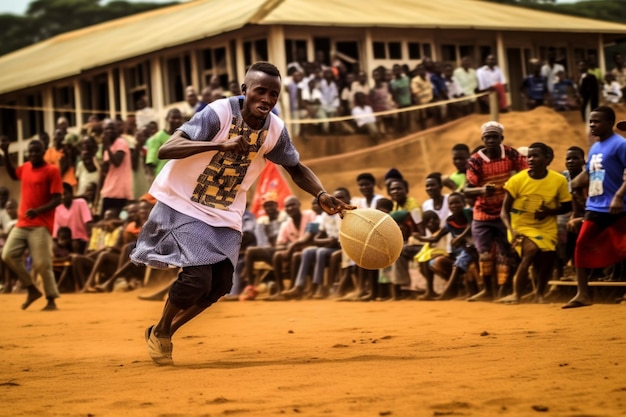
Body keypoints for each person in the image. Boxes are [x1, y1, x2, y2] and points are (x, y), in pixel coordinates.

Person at [129, 62, 354, 365]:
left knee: (220, 285)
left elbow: (295, 167)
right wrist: (219, 144)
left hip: (224, 211)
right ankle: (164, 331)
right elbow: (167, 148)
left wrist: (321, 193)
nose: (267, 100)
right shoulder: (218, 113)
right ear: (244, 90)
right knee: (197, 278)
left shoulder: (275, 129)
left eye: (273, 95)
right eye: (260, 91)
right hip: (183, 201)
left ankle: (161, 330)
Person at [563, 106, 626, 308]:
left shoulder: (620, 144)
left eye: (596, 121)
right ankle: (583, 293)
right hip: (596, 205)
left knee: (623, 248)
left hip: (617, 206)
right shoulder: (595, 147)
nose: (592, 125)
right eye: (590, 121)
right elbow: (590, 173)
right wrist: (571, 184)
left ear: (609, 123)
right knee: (581, 245)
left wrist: (618, 196)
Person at [497, 142, 572, 304]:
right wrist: (511, 229)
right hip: (520, 226)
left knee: (547, 258)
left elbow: (567, 206)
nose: (530, 159)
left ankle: (539, 294)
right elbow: (504, 211)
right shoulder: (516, 180)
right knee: (531, 250)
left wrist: (548, 212)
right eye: (529, 156)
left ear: (547, 159)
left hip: (546, 227)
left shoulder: (558, 180)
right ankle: (516, 294)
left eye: (535, 155)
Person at [464, 121, 527, 301]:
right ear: (482, 139)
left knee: (505, 253)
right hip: (482, 213)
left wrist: (513, 186)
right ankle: (487, 290)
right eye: (487, 137)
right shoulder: (475, 160)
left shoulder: (510, 153)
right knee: (484, 254)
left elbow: (526, 171)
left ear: (501, 138)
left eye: (495, 137)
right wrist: (482, 190)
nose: (491, 140)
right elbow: (467, 189)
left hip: (505, 212)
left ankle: (503, 290)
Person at [0, 139, 63, 310]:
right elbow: (14, 175)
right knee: (8, 254)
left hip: (40, 224)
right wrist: (5, 153)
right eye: (31, 152)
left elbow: (58, 199)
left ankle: (51, 299)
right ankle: (31, 288)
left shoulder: (52, 171)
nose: (33, 154)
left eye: (37, 151)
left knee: (42, 263)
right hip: (22, 223)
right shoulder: (26, 167)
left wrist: (38, 211)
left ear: (43, 152)